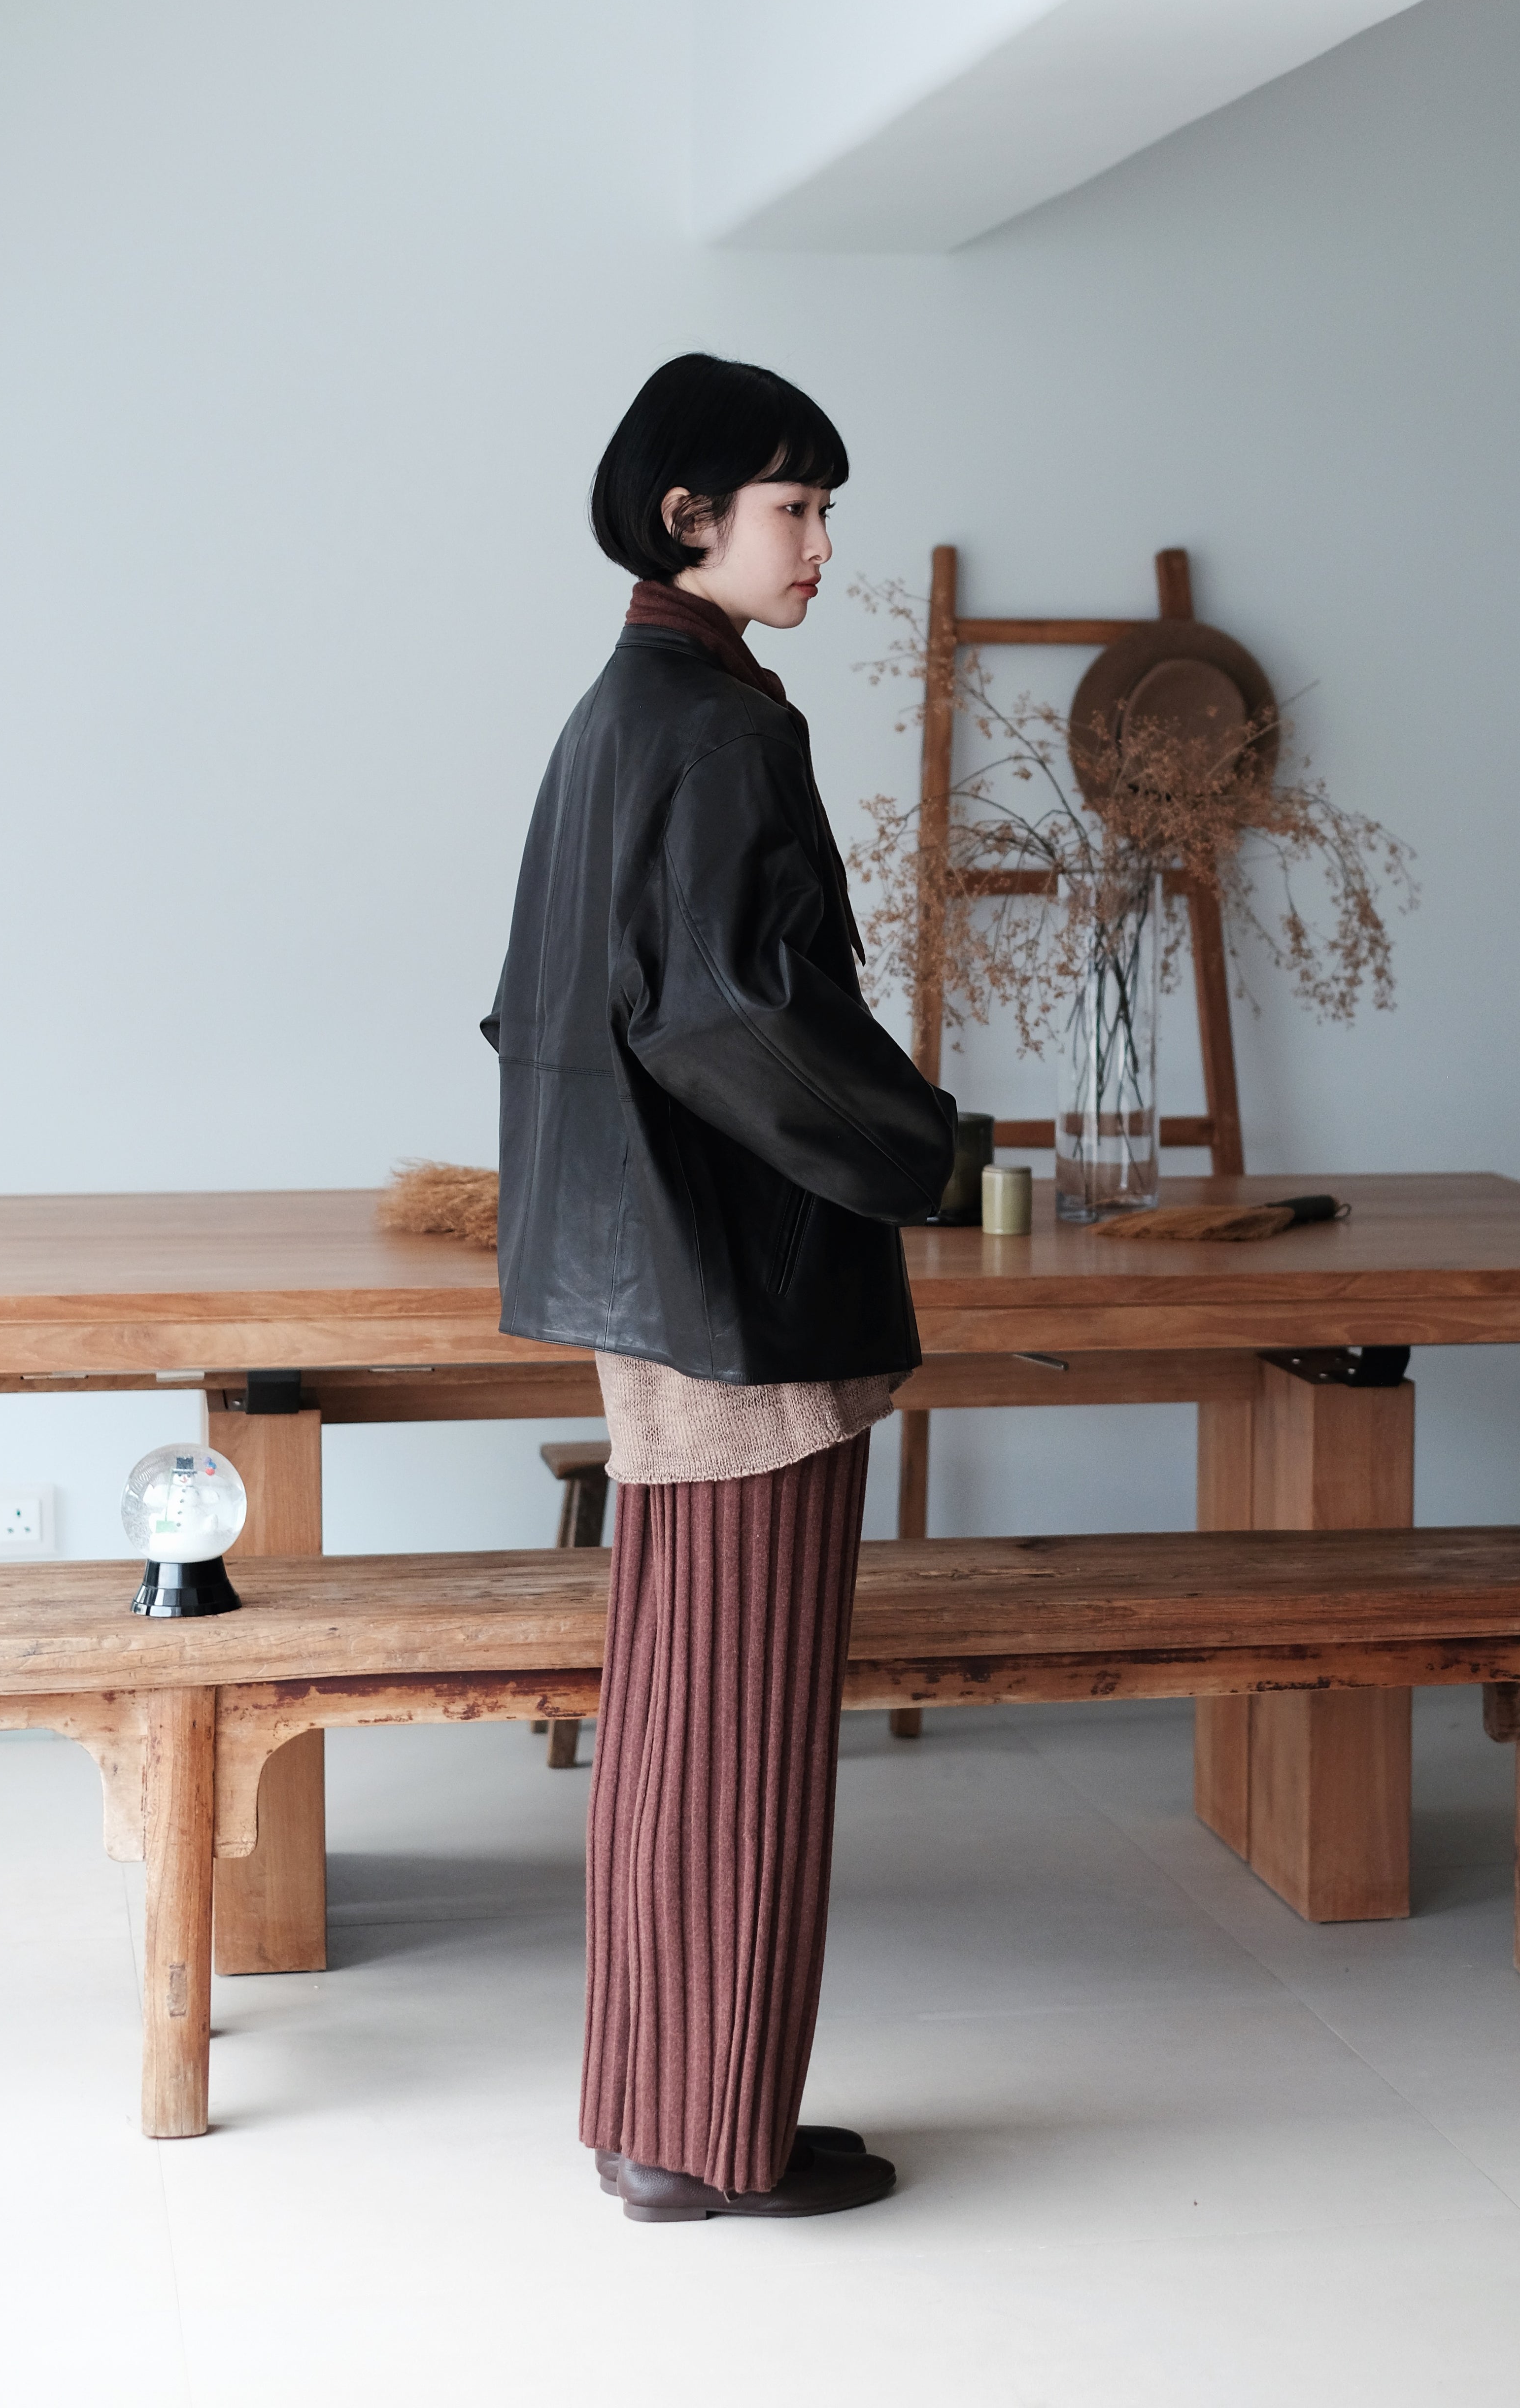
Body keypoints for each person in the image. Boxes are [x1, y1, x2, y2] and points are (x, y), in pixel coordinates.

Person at [484, 352, 955, 2222]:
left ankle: (665, 2119)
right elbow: (734, 1016)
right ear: (689, 516)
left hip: (652, 1279)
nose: (824, 543)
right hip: (741, 1289)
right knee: (738, 1721)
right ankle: (703, 2143)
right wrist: (929, 1149)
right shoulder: (718, 728)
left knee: (680, 1709)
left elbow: (554, 1005)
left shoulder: (622, 707)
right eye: (796, 507)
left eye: (827, 507)